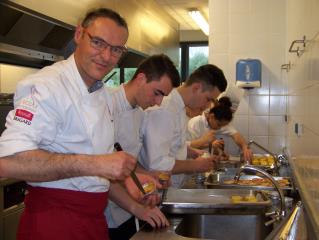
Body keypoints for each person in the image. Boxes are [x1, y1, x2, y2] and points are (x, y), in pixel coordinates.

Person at [0, 8, 168, 240]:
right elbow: (7, 163)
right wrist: (96, 164)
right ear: (79, 34)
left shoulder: (102, 95)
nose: (106, 56)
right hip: (54, 224)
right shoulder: (46, 86)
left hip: (93, 223)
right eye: (98, 42)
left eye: (116, 49)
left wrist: (137, 208)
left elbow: (98, 178)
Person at [106, 53, 180, 240]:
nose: (158, 102)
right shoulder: (106, 105)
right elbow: (102, 166)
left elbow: (128, 161)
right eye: (157, 93)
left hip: (128, 214)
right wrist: (135, 202)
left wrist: (148, 176)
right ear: (141, 78)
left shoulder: (139, 113)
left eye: (163, 96)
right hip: (105, 214)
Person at [138, 64, 228, 187]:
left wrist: (189, 152)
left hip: (170, 186)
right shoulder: (164, 109)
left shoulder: (179, 107)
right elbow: (156, 163)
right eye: (208, 99)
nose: (207, 106)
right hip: (156, 188)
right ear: (196, 88)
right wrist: (195, 165)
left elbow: (170, 144)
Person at [187, 97, 253, 162]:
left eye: (222, 126)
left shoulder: (218, 123)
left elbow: (236, 135)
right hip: (193, 164)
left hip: (206, 163)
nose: (219, 128)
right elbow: (186, 147)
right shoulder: (195, 123)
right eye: (219, 125)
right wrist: (204, 141)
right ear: (211, 116)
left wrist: (245, 148)